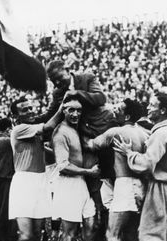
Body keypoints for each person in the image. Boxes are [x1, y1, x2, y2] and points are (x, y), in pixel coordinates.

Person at [39, 60, 115, 223]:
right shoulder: (58, 93)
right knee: (91, 179)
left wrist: (76, 94)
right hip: (84, 137)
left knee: (110, 175)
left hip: (102, 129)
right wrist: (32, 123)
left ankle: (114, 215)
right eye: (53, 81)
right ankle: (94, 218)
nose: (57, 83)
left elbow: (100, 98)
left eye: (59, 78)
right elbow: (52, 113)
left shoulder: (86, 79)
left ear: (67, 70)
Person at [114, 94, 167, 241]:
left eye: (152, 105)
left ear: (162, 110)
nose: (148, 108)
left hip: (161, 189)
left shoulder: (160, 134)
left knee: (149, 236)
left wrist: (130, 153)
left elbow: (146, 164)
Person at [84, 99, 148, 241]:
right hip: (140, 185)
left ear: (126, 116)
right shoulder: (143, 132)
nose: (114, 109)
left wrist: (80, 127)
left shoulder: (116, 132)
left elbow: (90, 144)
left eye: (118, 108)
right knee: (132, 233)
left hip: (125, 187)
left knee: (112, 236)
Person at [9, 96, 62, 241]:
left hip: (40, 181)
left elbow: (49, 155)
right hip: (24, 183)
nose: (30, 111)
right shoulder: (20, 129)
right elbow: (49, 125)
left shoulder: (34, 132)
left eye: (31, 108)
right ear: (16, 116)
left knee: (38, 234)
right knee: (25, 235)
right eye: (25, 109)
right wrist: (63, 105)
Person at [52, 95, 99, 241]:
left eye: (78, 110)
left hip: (81, 183)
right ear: (63, 110)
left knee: (91, 227)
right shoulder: (60, 133)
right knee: (69, 233)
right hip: (68, 184)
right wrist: (89, 172)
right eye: (71, 110)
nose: (75, 114)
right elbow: (63, 166)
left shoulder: (76, 129)